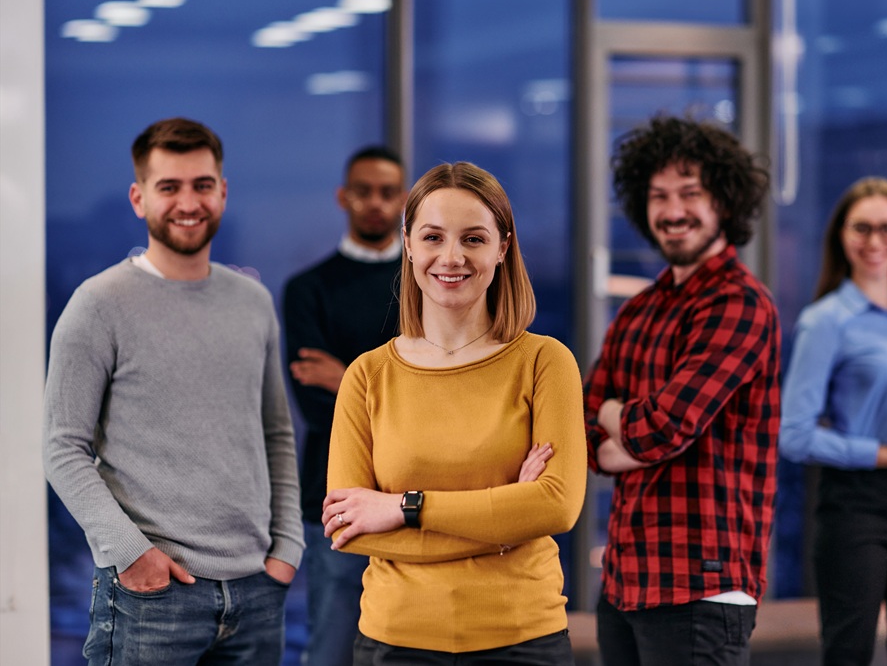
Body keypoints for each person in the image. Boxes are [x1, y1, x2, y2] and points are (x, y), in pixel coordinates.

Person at [43, 117, 304, 665]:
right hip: (152, 599)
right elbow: (62, 449)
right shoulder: (98, 304)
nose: (189, 202)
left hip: (257, 589)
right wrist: (133, 555)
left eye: (202, 185)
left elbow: (275, 431)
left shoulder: (252, 302)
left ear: (223, 192)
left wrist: (287, 548)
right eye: (170, 187)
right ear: (139, 199)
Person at [321, 161, 586, 664]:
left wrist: (401, 508)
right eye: (433, 237)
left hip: (522, 639)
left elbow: (556, 507)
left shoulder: (544, 362)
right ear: (408, 244)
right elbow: (345, 530)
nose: (451, 256)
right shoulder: (367, 375)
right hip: (395, 641)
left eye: (474, 239)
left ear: (502, 248)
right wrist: (504, 523)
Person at [584, 115, 781, 666]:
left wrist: (619, 419)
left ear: (725, 201)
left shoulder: (740, 303)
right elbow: (581, 425)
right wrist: (623, 431)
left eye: (690, 194)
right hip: (625, 582)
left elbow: (667, 426)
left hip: (702, 586)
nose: (672, 211)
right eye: (659, 196)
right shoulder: (637, 312)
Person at [779, 176, 887, 665]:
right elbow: (793, 435)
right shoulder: (825, 321)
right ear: (841, 235)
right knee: (849, 654)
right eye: (862, 228)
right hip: (856, 506)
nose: (875, 241)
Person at [282, 145, 405, 665]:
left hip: (416, 496)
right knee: (332, 650)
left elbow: (449, 395)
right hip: (333, 495)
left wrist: (347, 378)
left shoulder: (429, 285)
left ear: (403, 199)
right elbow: (315, 406)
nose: (375, 202)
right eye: (363, 191)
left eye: (387, 192)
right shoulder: (308, 289)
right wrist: (402, 392)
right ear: (343, 197)